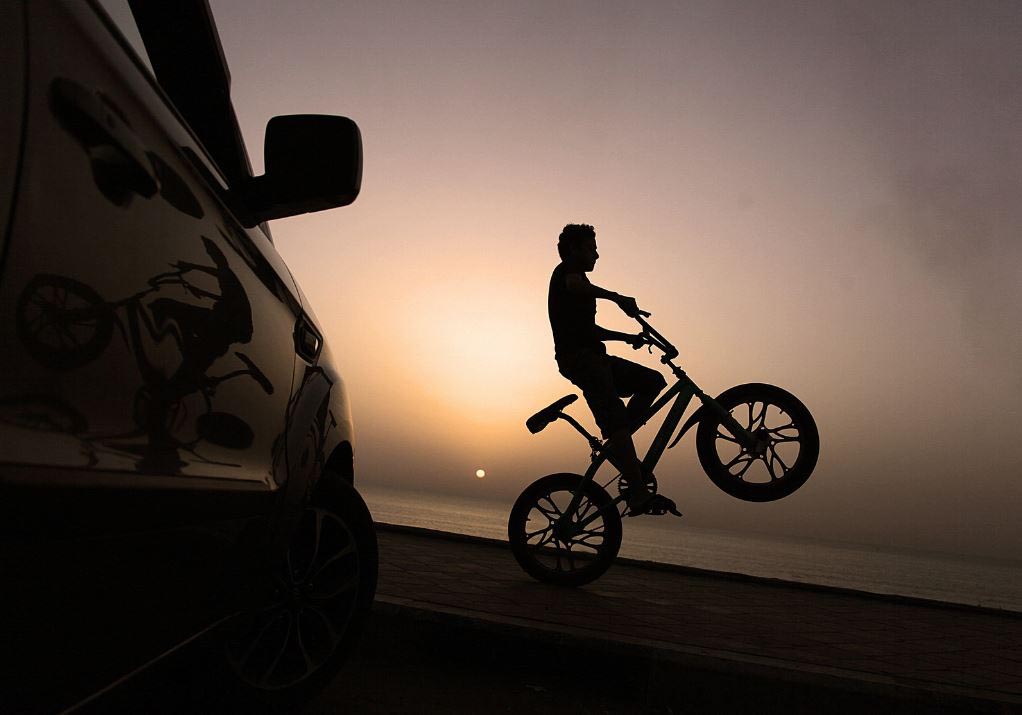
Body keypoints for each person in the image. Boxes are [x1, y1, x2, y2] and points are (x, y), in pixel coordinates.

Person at [547, 223, 676, 516]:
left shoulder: (578, 283)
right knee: (616, 421)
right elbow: (575, 286)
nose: (597, 254)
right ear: (574, 250)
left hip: (595, 358)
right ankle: (638, 492)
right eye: (591, 248)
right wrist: (617, 298)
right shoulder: (566, 274)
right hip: (581, 361)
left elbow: (589, 330)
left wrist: (627, 337)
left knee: (652, 381)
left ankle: (619, 444)